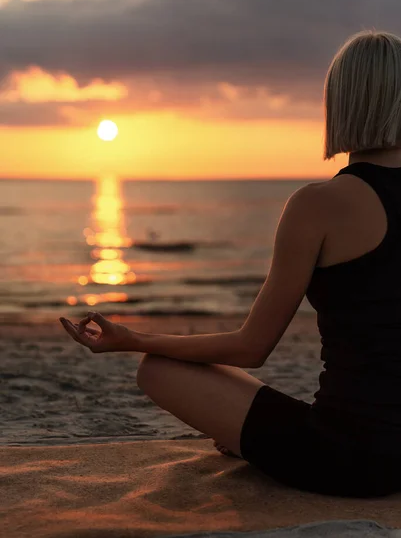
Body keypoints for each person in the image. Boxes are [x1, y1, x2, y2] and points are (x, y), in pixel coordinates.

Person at [61, 30, 401, 498]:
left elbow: (251, 348)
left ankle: (255, 448)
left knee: (157, 368)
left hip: (353, 461)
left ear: (341, 102)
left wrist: (132, 338)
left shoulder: (319, 204)